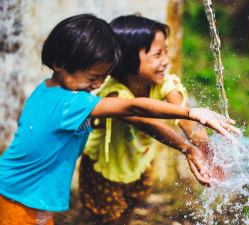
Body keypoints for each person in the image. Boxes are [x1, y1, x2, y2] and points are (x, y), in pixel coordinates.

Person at [0, 14, 238, 225]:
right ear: (59, 64)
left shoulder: (48, 91)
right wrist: (191, 112)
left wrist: (191, 144)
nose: (97, 85)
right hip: (18, 195)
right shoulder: (70, 103)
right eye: (93, 77)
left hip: (29, 193)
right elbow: (133, 107)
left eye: (102, 78)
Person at [78, 15, 229, 225]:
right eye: (157, 54)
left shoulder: (165, 84)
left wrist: (207, 150)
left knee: (128, 209)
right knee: (107, 218)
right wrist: (186, 148)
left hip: (140, 162)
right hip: (104, 169)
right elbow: (148, 124)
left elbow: (186, 120)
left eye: (166, 51)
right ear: (129, 60)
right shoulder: (113, 93)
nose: (166, 61)